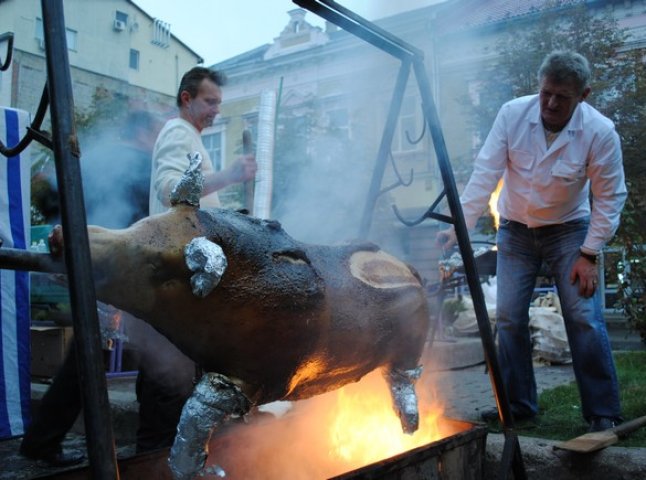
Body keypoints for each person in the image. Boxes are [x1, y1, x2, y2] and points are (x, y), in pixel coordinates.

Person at [436, 51, 627, 433]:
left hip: (570, 230)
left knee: (583, 318)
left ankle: (602, 411)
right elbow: (485, 172)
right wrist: (461, 225)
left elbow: (610, 197)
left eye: (563, 96)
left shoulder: (600, 132)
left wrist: (589, 253)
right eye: (546, 93)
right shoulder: (512, 114)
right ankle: (519, 405)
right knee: (508, 317)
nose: (552, 103)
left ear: (583, 95)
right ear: (538, 88)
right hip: (515, 229)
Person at [19, 110, 162, 467]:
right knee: (88, 353)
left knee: (88, 352)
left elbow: (44, 188)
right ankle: (43, 441)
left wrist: (63, 232)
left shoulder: (98, 157)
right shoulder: (140, 165)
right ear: (144, 132)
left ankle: (42, 440)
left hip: (88, 259)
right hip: (108, 268)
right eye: (156, 131)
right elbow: (146, 223)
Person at [136, 66, 256, 452]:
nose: (216, 110)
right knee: (165, 383)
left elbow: (200, 205)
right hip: (172, 279)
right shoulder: (177, 131)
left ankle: (159, 456)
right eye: (209, 102)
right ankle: (151, 462)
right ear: (187, 99)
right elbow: (173, 190)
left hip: (183, 281)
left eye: (219, 103)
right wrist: (229, 175)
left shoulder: (192, 138)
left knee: (174, 377)